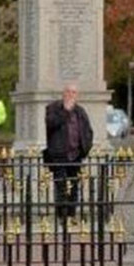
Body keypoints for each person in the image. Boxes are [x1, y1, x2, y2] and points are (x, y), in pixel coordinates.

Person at [44, 84, 93, 219]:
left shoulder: (80, 111)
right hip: (59, 155)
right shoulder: (53, 108)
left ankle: (71, 215)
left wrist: (85, 148)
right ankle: (62, 215)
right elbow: (51, 123)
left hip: (75, 155)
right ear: (63, 93)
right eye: (68, 92)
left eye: (74, 92)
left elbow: (88, 131)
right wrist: (65, 111)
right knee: (61, 185)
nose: (71, 95)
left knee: (74, 185)